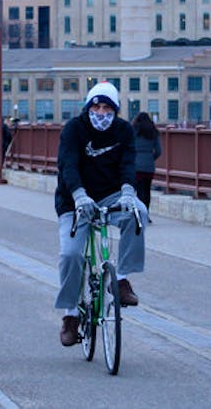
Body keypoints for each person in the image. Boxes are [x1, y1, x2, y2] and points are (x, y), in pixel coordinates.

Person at [54, 82, 146, 347]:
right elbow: (67, 165)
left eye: (107, 108)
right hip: (74, 199)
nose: (101, 112)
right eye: (96, 106)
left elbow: (129, 162)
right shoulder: (74, 129)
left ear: (115, 110)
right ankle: (71, 315)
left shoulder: (124, 131)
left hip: (110, 194)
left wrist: (129, 191)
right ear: (88, 107)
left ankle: (121, 279)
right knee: (71, 254)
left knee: (137, 213)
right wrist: (79, 195)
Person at [132, 112, 162, 211]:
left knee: (138, 190)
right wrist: (150, 158)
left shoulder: (133, 131)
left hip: (136, 165)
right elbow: (158, 151)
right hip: (149, 165)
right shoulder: (153, 132)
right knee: (147, 190)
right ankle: (146, 212)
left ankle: (139, 213)